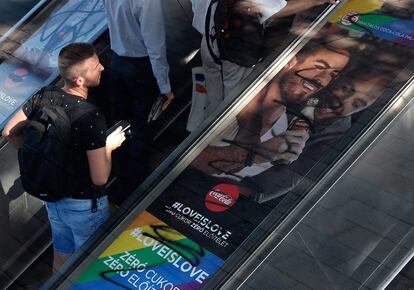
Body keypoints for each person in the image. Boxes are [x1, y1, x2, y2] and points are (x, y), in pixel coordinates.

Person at [2, 43, 126, 270]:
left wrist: (45, 157)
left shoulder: (45, 94)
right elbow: (99, 178)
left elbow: (8, 132)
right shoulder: (90, 116)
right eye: (96, 66)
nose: (102, 68)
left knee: (62, 254)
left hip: (54, 200)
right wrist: (109, 146)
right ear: (80, 80)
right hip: (84, 206)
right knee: (89, 266)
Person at [191, 40, 350, 176]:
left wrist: (257, 155)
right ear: (289, 62)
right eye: (320, 66)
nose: (322, 80)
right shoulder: (231, 81)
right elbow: (177, 152)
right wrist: (255, 154)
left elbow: (218, 176)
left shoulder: (281, 136)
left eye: (333, 75)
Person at [241, 67, 391, 203]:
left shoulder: (338, 140)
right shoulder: (302, 89)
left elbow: (280, 182)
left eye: (356, 104)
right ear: (338, 78)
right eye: (345, 89)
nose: (341, 103)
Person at [191, 0, 340, 119]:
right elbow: (262, 8)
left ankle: (206, 131)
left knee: (215, 97)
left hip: (216, 35)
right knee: (230, 106)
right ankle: (209, 138)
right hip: (233, 51)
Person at [103, 0, 175, 196]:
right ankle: (134, 186)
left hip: (117, 61)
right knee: (142, 128)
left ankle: (116, 174)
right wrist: (165, 86)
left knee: (120, 124)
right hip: (141, 68)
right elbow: (155, 45)